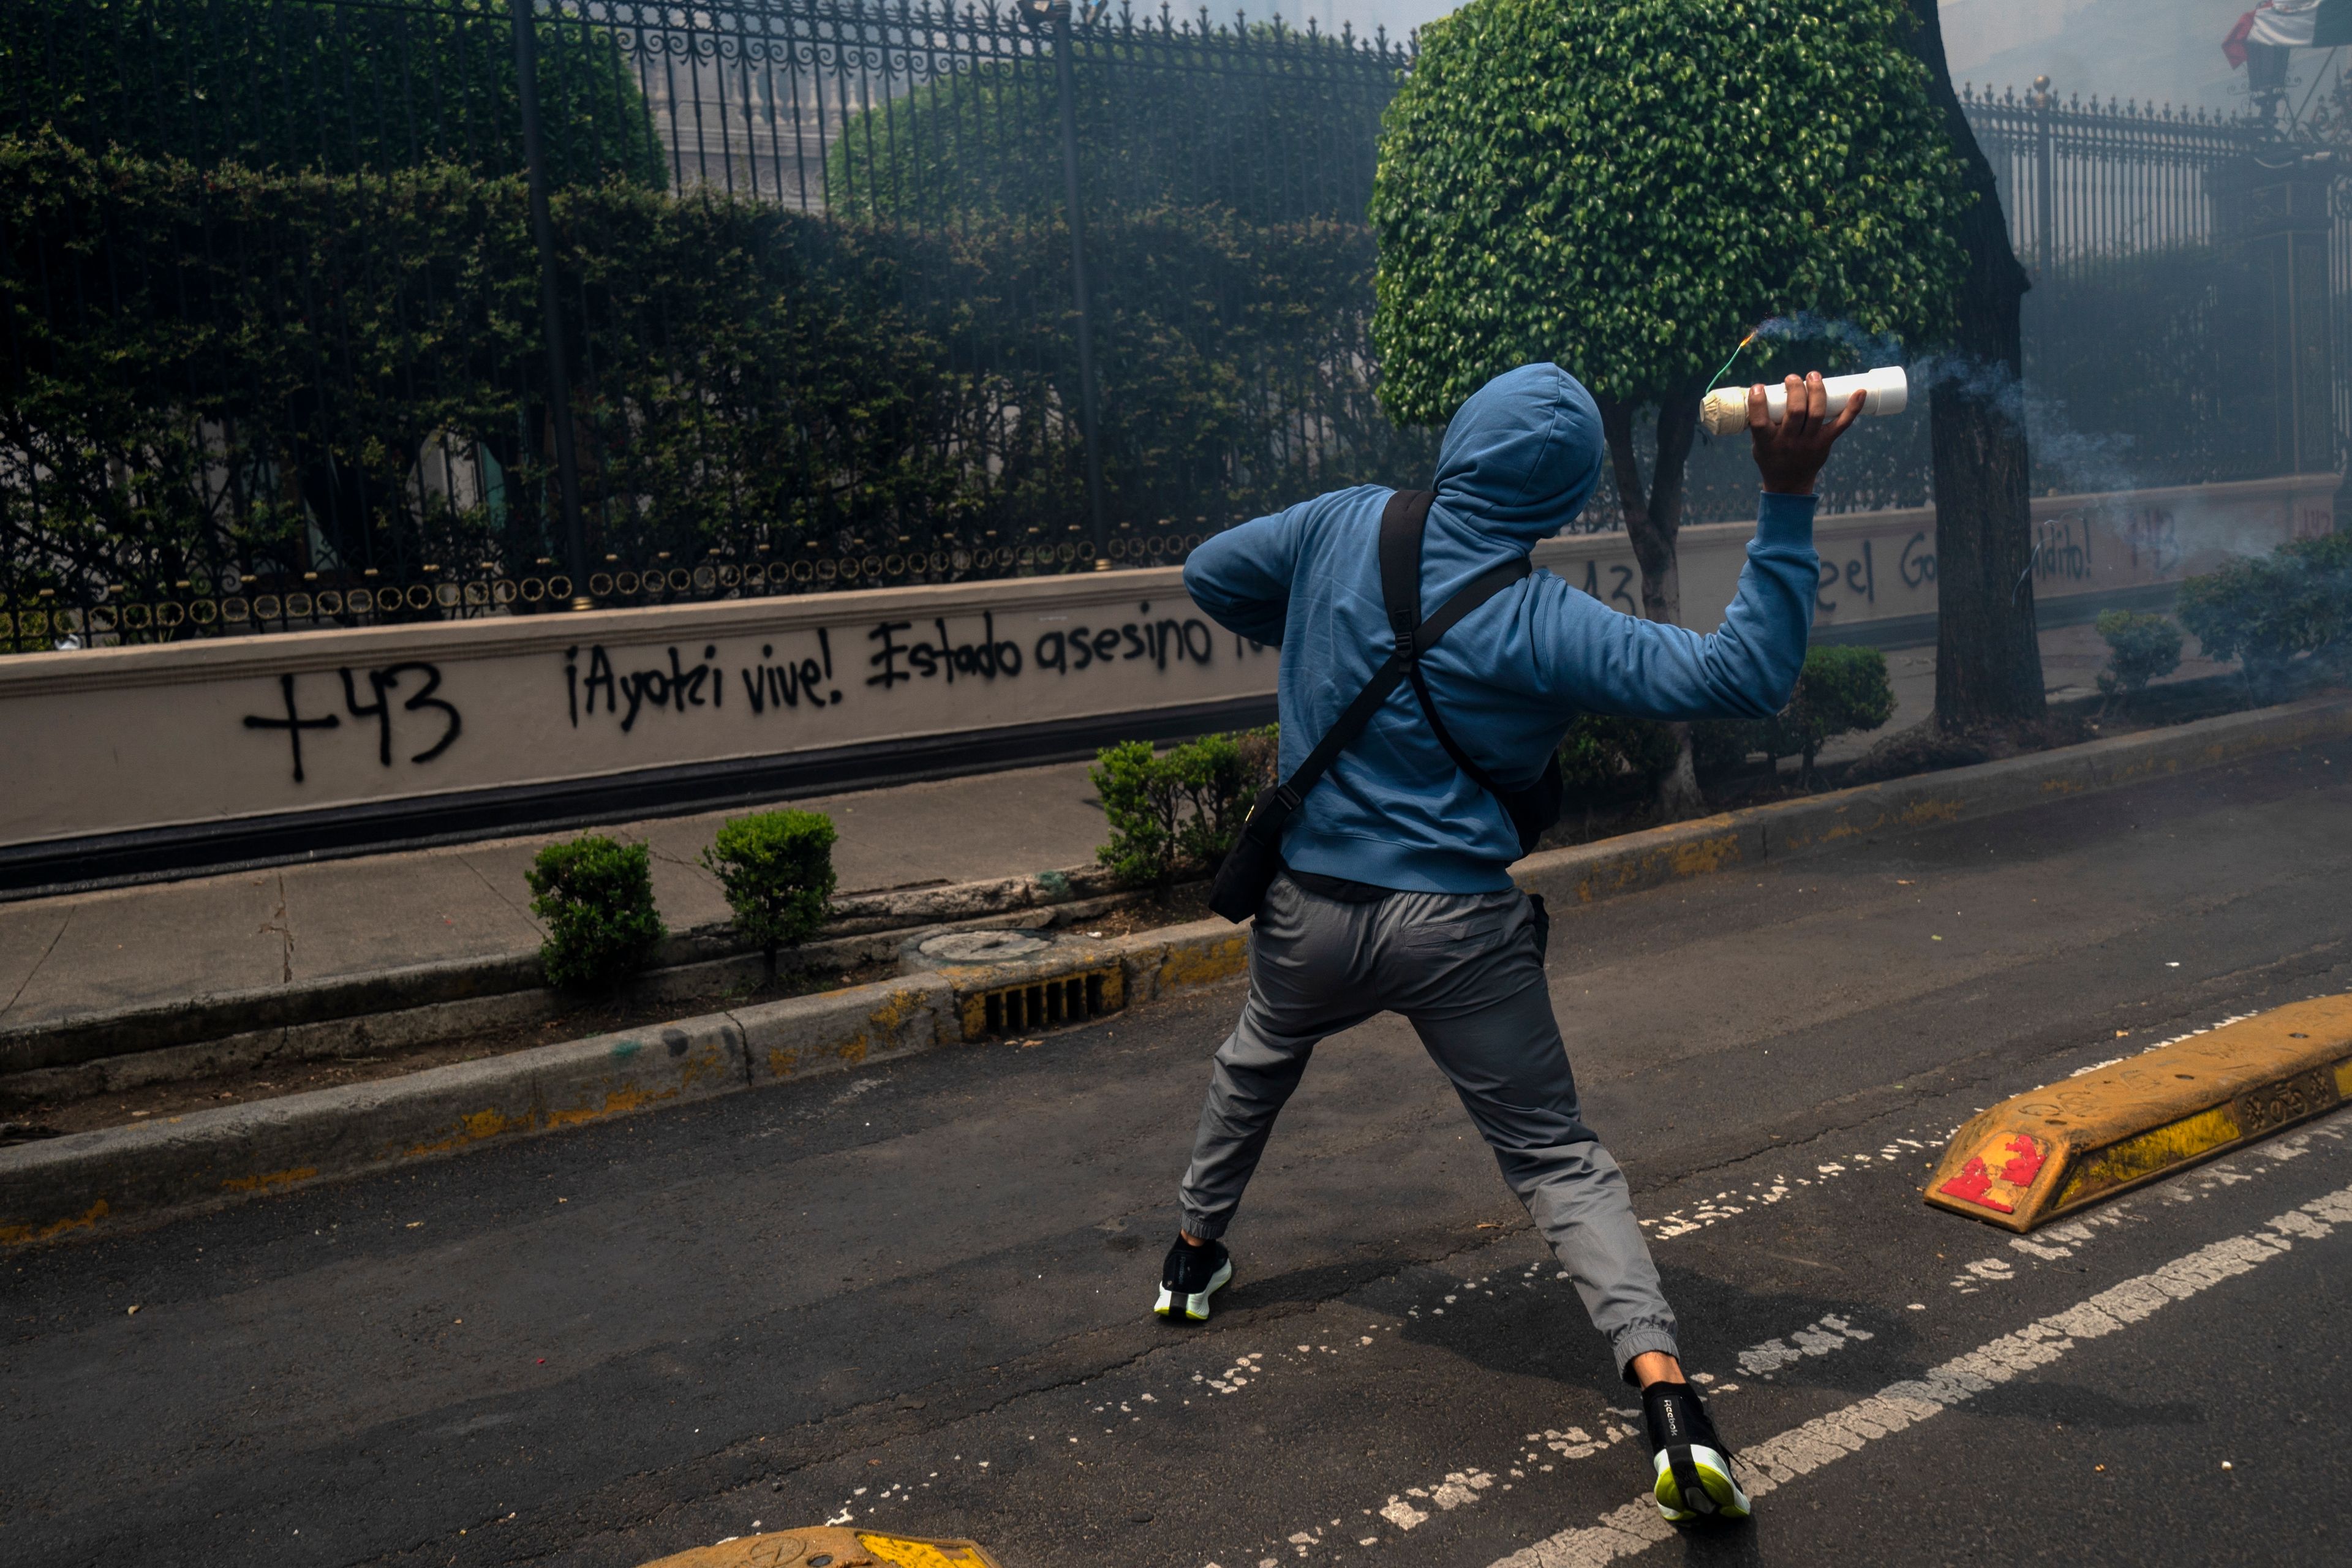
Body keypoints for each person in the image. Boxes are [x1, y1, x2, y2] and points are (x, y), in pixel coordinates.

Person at [1153, 364, 1864, 1526]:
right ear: (1570, 493)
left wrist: (1313, 636)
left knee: (1259, 1059)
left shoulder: (1341, 522)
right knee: (1553, 1161)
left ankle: (1190, 1257)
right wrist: (1785, 495)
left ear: (1464, 439)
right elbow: (1746, 676)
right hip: (1459, 935)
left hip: (1311, 916)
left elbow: (1209, 574)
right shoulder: (1545, 619)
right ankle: (1670, 1403)